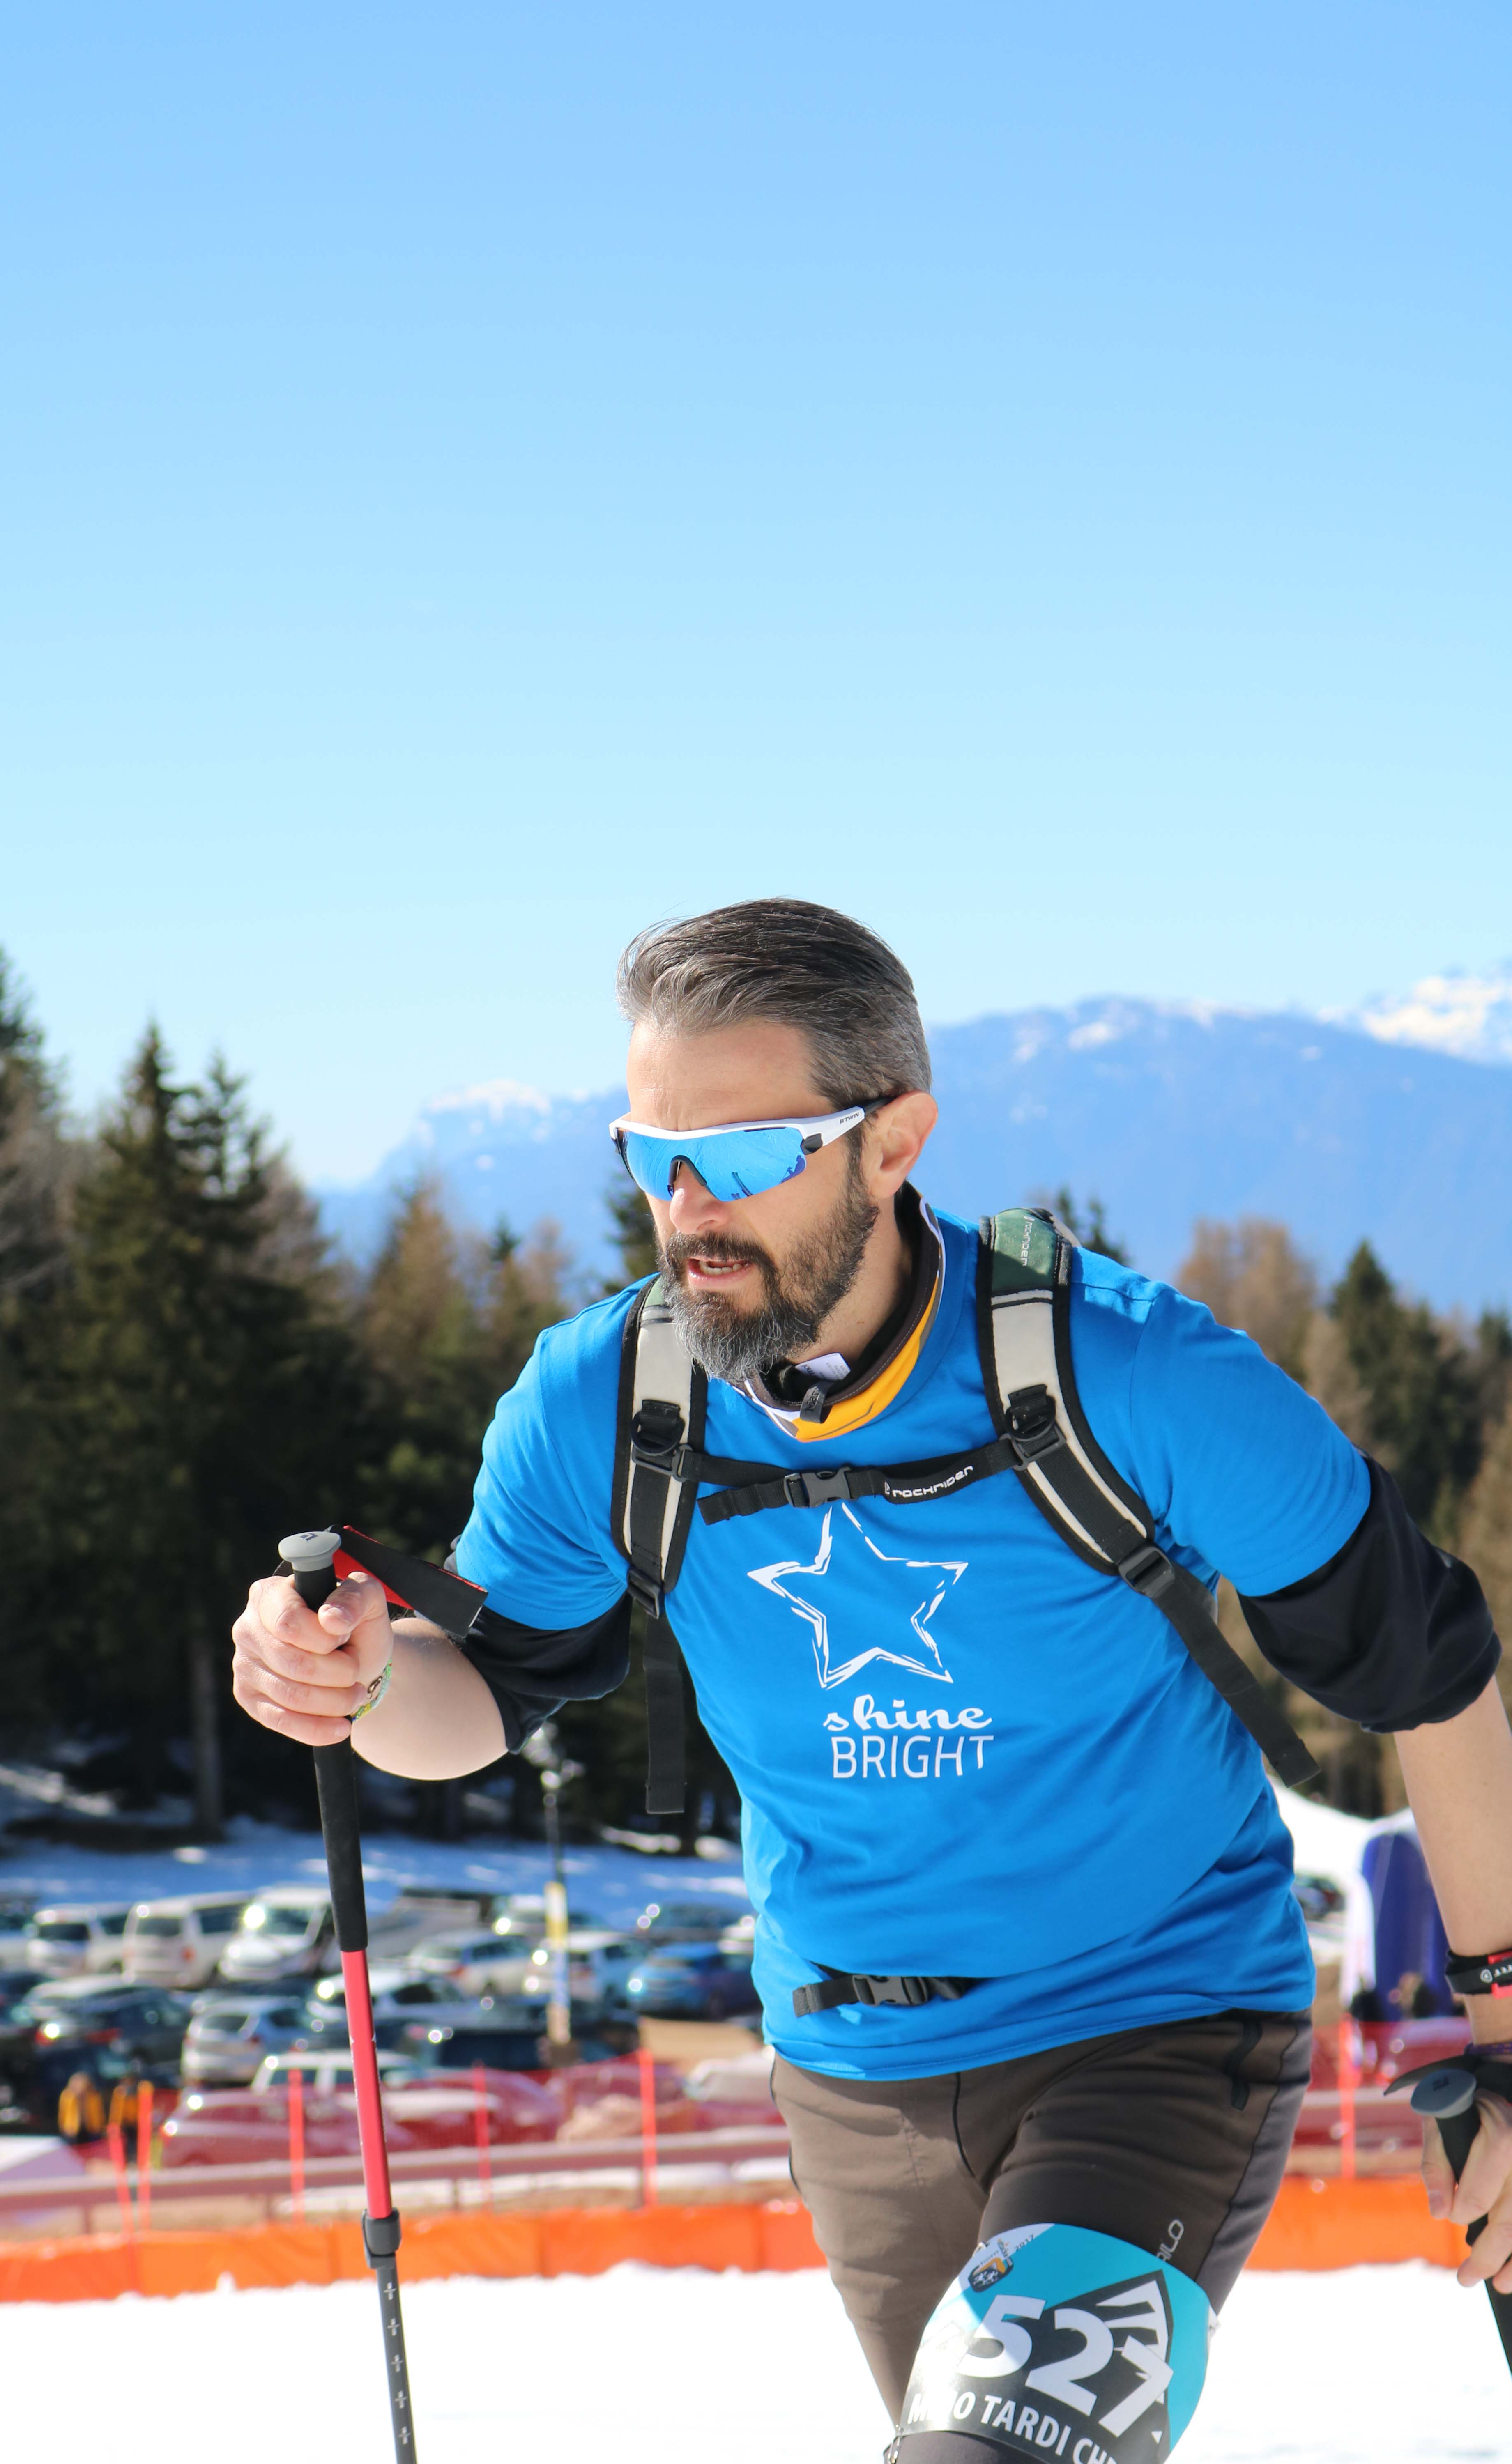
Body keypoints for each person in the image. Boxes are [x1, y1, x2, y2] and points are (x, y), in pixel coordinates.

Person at [233, 900, 1512, 2459]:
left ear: (893, 1142)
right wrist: (357, 1682)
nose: (690, 1211)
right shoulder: (602, 1409)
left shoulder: (1134, 1377)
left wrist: (1507, 2037)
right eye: (653, 1156)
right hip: (854, 2075)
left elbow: (1434, 1673)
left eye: (745, 1156)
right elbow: (485, 1697)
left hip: (1153, 2027)